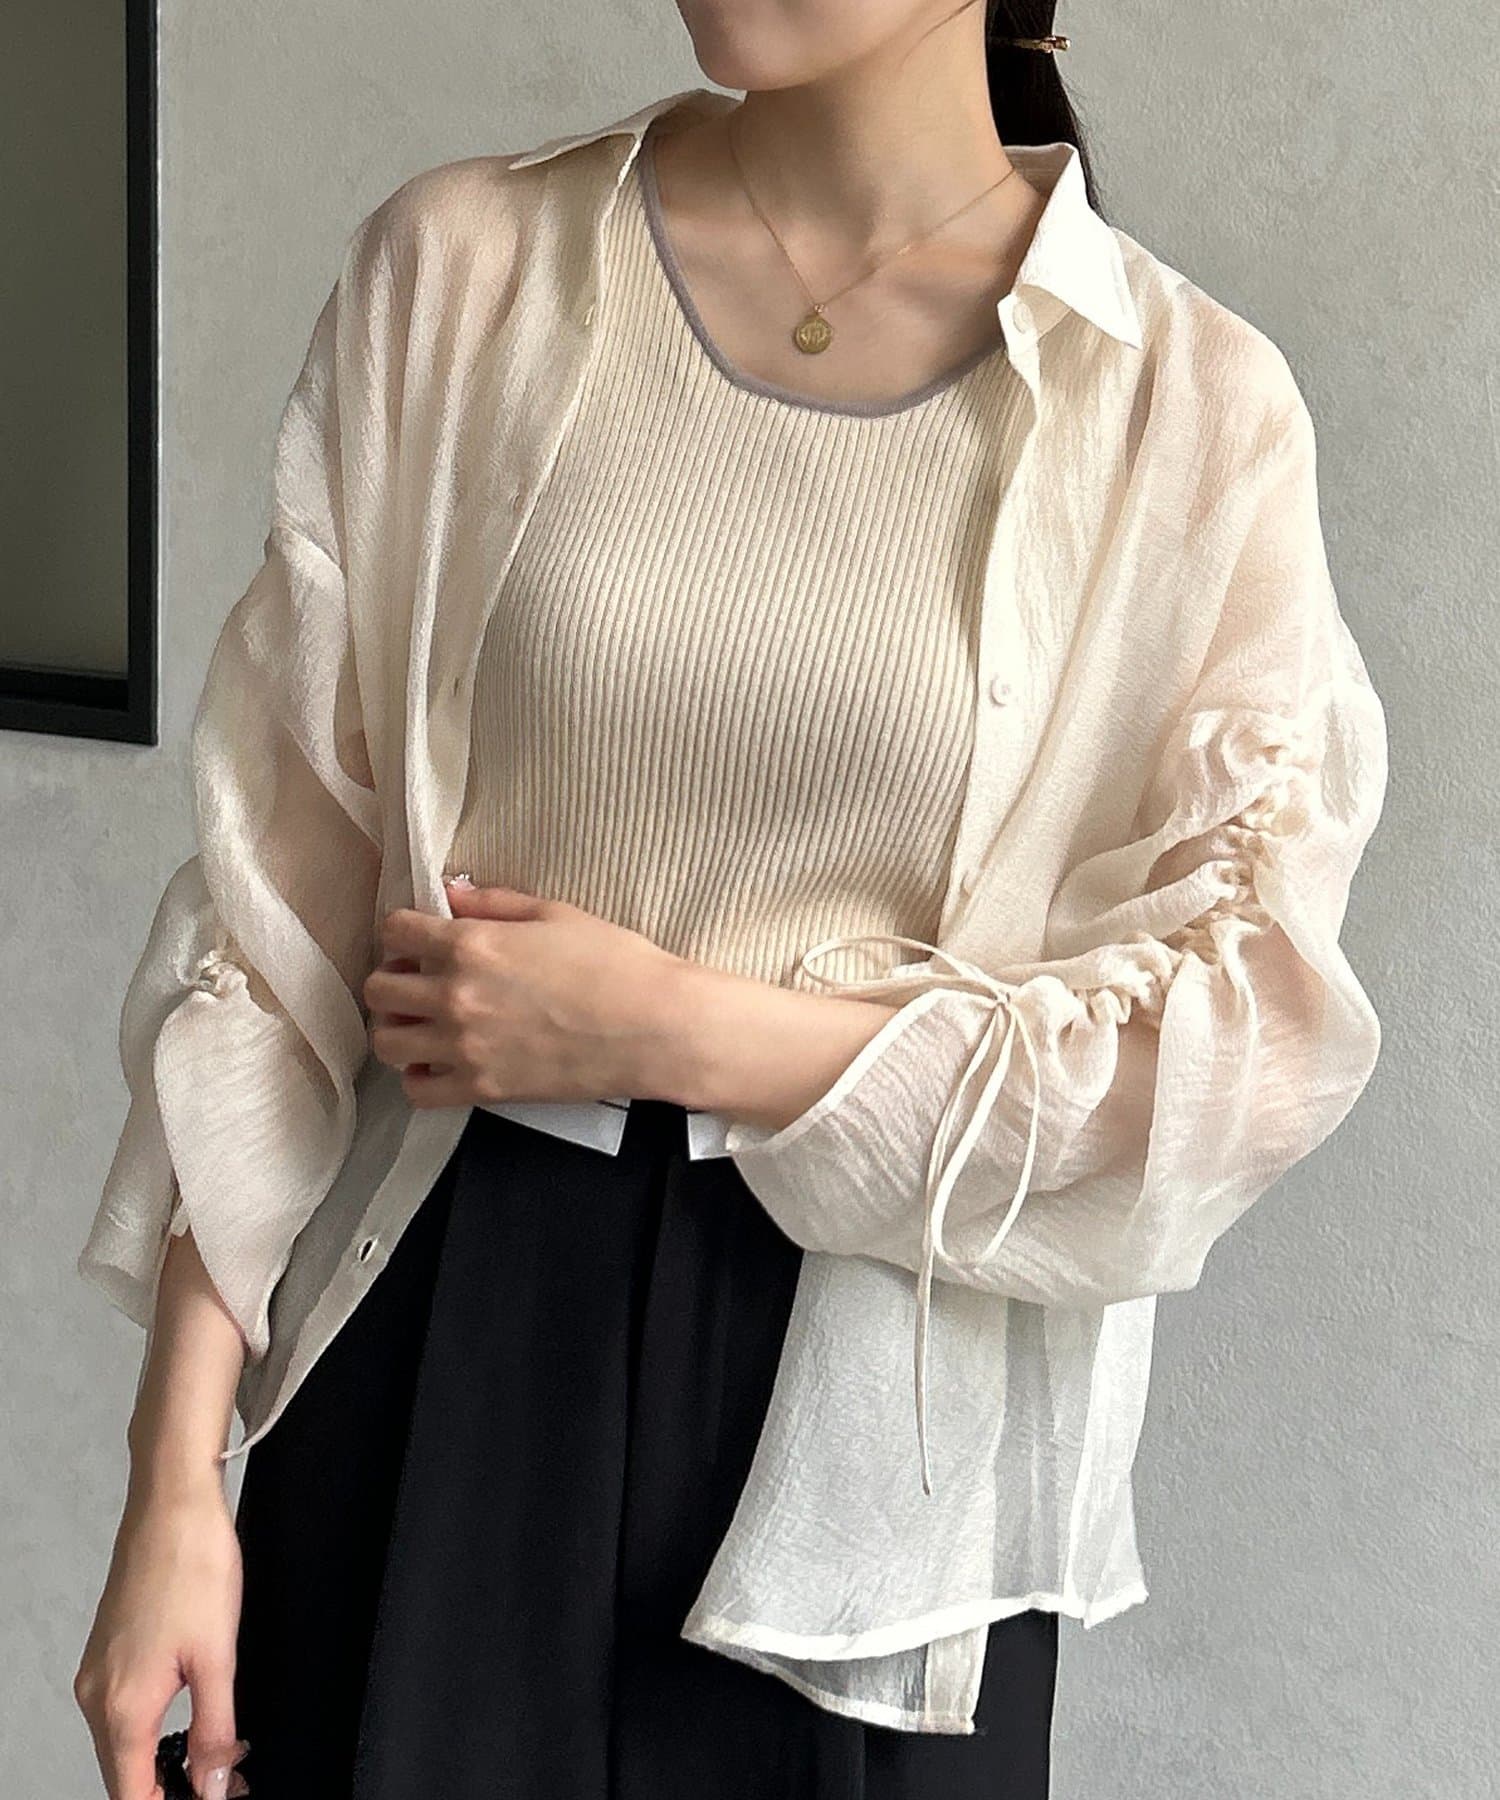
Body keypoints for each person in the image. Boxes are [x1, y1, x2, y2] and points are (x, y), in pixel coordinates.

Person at [71, 4, 1389, 1797]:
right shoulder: (467, 271)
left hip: (882, 1434)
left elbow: (1231, 1057)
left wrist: (683, 1033)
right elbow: (272, 916)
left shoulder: (1182, 408)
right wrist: (172, 1481)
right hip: (446, 1329)